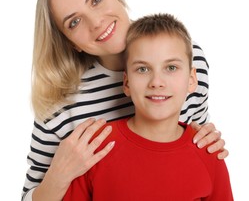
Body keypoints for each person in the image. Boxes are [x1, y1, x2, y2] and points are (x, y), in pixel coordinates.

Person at [22, 0, 228, 201]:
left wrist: (209, 141)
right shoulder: (59, 107)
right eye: (74, 22)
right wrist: (59, 174)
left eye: (96, 0)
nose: (96, 22)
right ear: (71, 43)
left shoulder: (191, 59)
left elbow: (197, 136)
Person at [63, 13, 233, 200]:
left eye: (171, 68)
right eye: (143, 69)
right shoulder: (95, 148)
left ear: (192, 79)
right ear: (126, 83)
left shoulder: (208, 151)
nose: (157, 82)